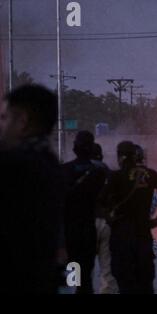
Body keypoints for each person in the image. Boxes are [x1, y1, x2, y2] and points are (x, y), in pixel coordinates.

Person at [0, 84, 63, 293]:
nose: (2, 125)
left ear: (23, 120)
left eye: (5, 118)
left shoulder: (16, 166)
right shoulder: (48, 162)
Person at [99, 141, 157, 294]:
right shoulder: (150, 175)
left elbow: (100, 203)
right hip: (143, 235)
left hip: (121, 237)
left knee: (125, 284)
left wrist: (110, 220)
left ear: (121, 157)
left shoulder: (116, 176)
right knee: (145, 284)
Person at [63, 131, 107, 294]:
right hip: (88, 231)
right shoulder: (100, 172)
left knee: (74, 279)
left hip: (71, 233)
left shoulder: (65, 170)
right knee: (87, 279)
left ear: (75, 148)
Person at [91, 143, 119, 294]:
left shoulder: (72, 170)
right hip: (107, 224)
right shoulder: (110, 173)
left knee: (77, 266)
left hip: (82, 225)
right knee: (108, 271)